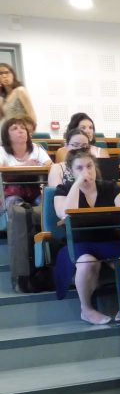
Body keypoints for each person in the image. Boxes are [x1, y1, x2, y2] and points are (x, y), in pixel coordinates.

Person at [53, 149, 120, 324]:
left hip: (109, 241)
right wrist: (77, 185)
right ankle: (86, 309)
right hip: (78, 243)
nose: (86, 171)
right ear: (71, 172)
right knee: (88, 262)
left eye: (89, 166)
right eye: (79, 168)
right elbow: (65, 214)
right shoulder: (63, 189)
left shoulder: (109, 187)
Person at [3, 116, 53, 293]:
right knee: (16, 208)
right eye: (15, 128)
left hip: (34, 193)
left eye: (22, 128)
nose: (20, 131)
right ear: (6, 135)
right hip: (12, 194)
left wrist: (32, 164)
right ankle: (23, 276)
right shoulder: (2, 151)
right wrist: (26, 165)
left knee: (48, 207)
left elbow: (50, 166)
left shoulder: (37, 149)